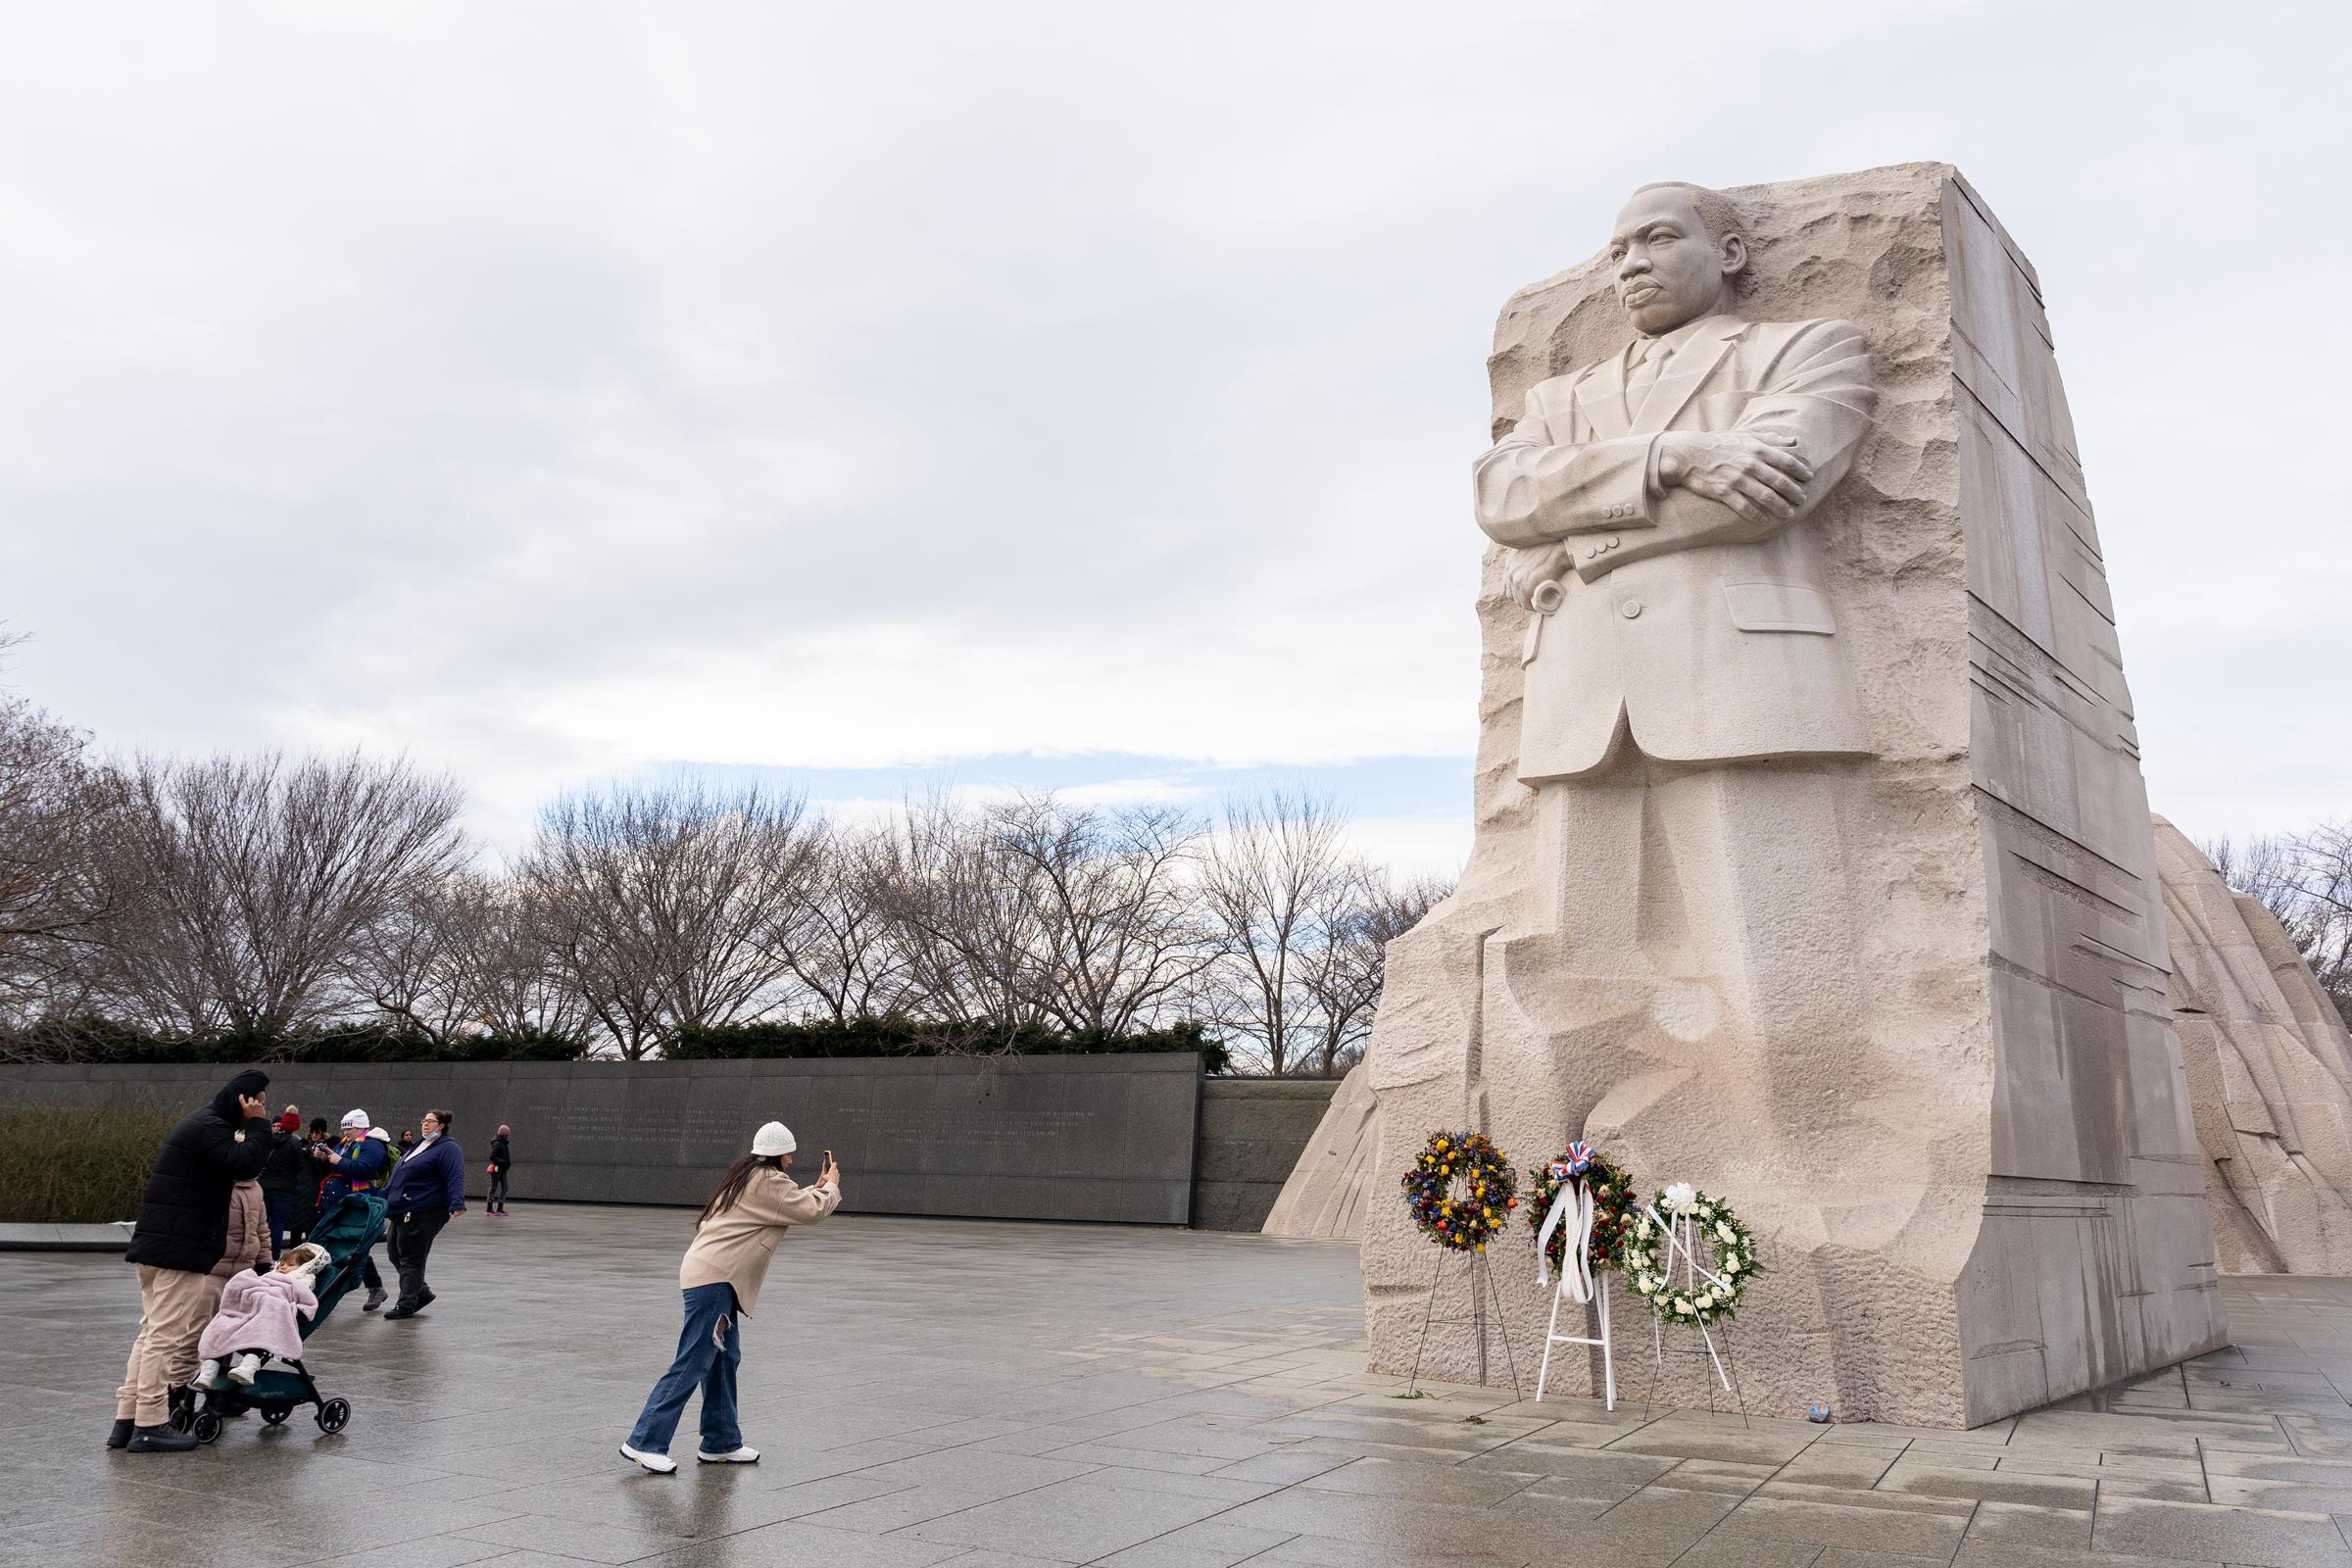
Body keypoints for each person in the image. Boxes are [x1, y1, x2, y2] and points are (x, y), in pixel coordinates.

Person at [619, 1123, 840, 1474]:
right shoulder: (766, 1180)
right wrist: (830, 1186)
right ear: (778, 1155)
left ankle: (720, 1442)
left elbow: (790, 1202)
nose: (793, 1160)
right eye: (789, 1154)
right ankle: (645, 1441)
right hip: (715, 1280)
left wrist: (816, 1188)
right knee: (693, 1359)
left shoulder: (749, 1176)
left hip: (715, 1277)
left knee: (723, 1359)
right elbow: (810, 1211)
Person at [111, 1069, 274, 1453]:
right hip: (178, 1251)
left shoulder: (200, 1123)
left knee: (151, 1333)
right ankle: (150, 1424)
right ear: (245, 1100)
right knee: (164, 1338)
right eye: (260, 1100)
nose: (263, 1107)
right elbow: (246, 1165)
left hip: (161, 1248)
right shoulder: (211, 1127)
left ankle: (127, 1419)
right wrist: (260, 1125)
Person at [197, 1243, 327, 1393]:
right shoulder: (269, 1276)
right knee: (223, 1325)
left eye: (290, 1265)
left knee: (262, 1327)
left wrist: (298, 1308)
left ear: (306, 1267)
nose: (283, 1267)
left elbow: (307, 1299)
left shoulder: (304, 1279)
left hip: (269, 1311)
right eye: (282, 1263)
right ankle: (209, 1370)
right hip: (250, 1308)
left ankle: (249, 1365)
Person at [379, 1108, 465, 1319]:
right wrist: (382, 1197)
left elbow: (455, 1175)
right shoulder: (418, 1146)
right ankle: (421, 1292)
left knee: (411, 1257)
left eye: (430, 1121)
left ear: (441, 1125)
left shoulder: (448, 1148)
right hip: (401, 1209)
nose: (425, 1124)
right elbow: (399, 1176)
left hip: (424, 1210)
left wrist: (457, 1202)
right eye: (423, 1121)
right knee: (394, 1253)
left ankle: (406, 1303)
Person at [313, 1110, 394, 1310]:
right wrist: (324, 1159)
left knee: (355, 1246)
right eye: (344, 1128)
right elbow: (335, 1170)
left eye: (349, 1128)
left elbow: (364, 1169)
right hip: (338, 1201)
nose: (346, 1132)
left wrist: (337, 1160)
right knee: (340, 1244)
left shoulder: (372, 1144)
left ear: (361, 1127)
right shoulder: (345, 1144)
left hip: (356, 1202)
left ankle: (372, 1287)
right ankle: (371, 1287)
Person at [259, 1109, 308, 1252]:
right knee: (278, 1224)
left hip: (265, 1186)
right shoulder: (295, 1143)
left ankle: (260, 1253)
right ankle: (273, 1256)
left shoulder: (268, 1140)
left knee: (262, 1222)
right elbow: (299, 1166)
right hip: (285, 1188)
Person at [287, 1117, 331, 1245]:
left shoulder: (327, 1147)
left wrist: (317, 1158)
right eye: (312, 1132)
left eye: (317, 1132)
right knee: (296, 1227)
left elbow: (325, 1170)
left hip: (315, 1190)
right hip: (300, 1189)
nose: (314, 1135)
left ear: (322, 1132)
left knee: (310, 1227)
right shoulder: (303, 1144)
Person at [486, 1124, 513, 1216]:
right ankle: (489, 1209)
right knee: (493, 1186)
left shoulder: (503, 1143)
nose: (508, 1136)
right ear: (503, 1135)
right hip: (496, 1168)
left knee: (505, 1187)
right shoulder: (497, 1143)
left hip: (503, 1169)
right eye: (507, 1135)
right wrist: (503, 1162)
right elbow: (492, 1157)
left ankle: (499, 1209)